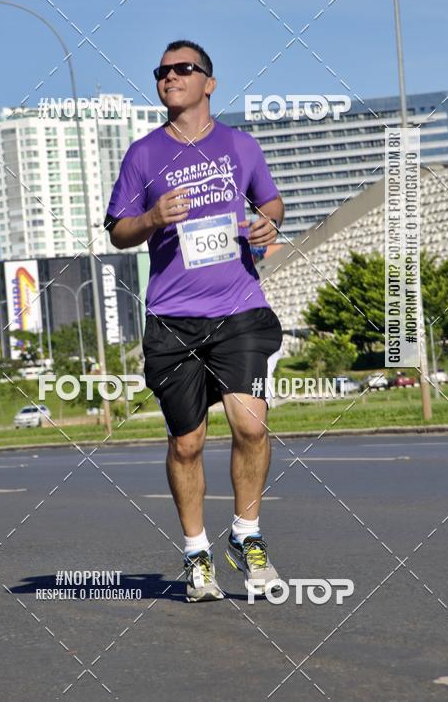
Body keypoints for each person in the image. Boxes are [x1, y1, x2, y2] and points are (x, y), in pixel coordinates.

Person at [105, 40, 284, 602]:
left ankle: (247, 537)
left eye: (184, 69)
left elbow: (272, 204)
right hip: (173, 319)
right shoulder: (143, 155)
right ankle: (197, 552)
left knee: (251, 425)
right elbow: (117, 230)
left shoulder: (239, 146)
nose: (170, 77)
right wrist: (152, 216)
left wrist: (266, 225)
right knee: (187, 444)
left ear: (210, 82)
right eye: (162, 71)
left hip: (238, 309)